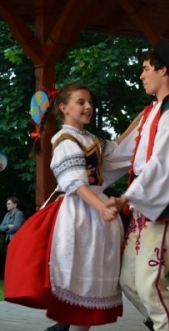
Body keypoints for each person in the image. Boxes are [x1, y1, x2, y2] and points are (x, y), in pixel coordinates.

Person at [4, 82, 140, 331]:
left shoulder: (90, 139)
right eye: (81, 102)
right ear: (64, 108)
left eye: (89, 102)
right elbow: (75, 183)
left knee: (87, 296)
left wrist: (145, 117)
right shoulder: (65, 140)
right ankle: (63, 325)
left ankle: (63, 327)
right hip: (80, 214)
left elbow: (121, 149)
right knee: (81, 287)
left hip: (96, 215)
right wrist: (100, 206)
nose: (88, 106)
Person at [106, 38, 169, 331]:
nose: (141, 75)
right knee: (127, 280)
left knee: (149, 283)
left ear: (164, 72)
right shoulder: (153, 112)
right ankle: (162, 326)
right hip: (144, 204)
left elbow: (162, 165)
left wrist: (126, 197)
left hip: (164, 207)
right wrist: (86, 154)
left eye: (147, 68)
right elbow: (123, 154)